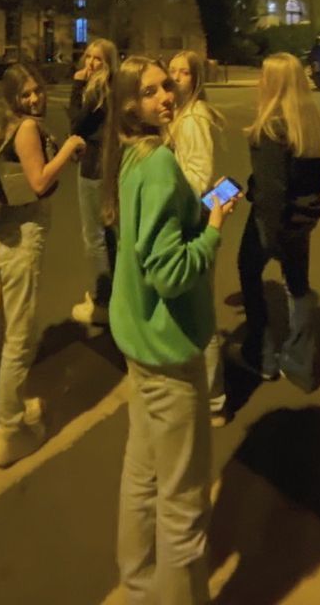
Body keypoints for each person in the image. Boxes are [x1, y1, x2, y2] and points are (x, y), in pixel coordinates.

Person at [105, 56, 235, 604]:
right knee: (183, 504)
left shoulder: (133, 157)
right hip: (168, 350)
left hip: (138, 344)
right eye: (151, 90)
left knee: (142, 477)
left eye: (167, 86)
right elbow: (170, 270)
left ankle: (137, 588)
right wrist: (214, 225)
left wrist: (200, 210)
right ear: (129, 104)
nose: (166, 96)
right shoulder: (157, 162)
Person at [0, 63, 85, 467]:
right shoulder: (26, 129)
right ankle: (10, 432)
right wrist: (67, 149)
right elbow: (40, 181)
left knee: (7, 324)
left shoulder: (16, 125)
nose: (34, 98)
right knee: (20, 335)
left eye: (37, 90)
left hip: (8, 232)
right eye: (25, 94)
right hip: (23, 234)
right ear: (13, 99)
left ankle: (0, 398)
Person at [236, 53, 320, 387]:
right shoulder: (312, 125)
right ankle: (300, 364)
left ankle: (261, 356)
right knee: (298, 286)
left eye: (264, 76)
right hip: (301, 220)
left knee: (248, 272)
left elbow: (270, 192)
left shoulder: (270, 128)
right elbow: (310, 181)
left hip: (271, 221)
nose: (260, 82)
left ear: (274, 83)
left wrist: (271, 238)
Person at [168, 49, 228, 426]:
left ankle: (215, 399)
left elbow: (201, 177)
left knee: (200, 312)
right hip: (191, 219)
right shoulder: (180, 115)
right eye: (171, 70)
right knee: (191, 309)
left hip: (194, 222)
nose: (175, 77)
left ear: (196, 79)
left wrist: (163, 181)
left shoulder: (193, 120)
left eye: (183, 73)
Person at [68, 38, 119, 324]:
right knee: (110, 232)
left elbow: (76, 123)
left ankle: (103, 301)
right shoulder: (116, 87)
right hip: (110, 164)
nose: (89, 63)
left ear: (107, 62)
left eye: (97, 59)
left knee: (94, 236)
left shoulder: (96, 89)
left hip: (93, 166)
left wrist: (77, 85)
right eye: (88, 57)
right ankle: (115, 293)